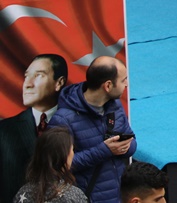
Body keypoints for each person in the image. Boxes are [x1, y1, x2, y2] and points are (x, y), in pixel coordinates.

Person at [49, 57, 135, 203]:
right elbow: (59, 166)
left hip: (119, 195)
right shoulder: (63, 120)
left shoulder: (115, 105)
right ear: (107, 86)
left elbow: (131, 142)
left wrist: (126, 146)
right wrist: (105, 150)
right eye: (123, 80)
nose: (127, 84)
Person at [1, 55, 68, 203]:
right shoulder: (4, 131)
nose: (27, 84)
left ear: (59, 83)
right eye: (26, 76)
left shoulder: (79, 126)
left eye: (38, 75)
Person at [13, 127, 86, 203]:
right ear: (63, 156)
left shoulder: (23, 193)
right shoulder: (74, 196)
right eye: (72, 149)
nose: (73, 154)